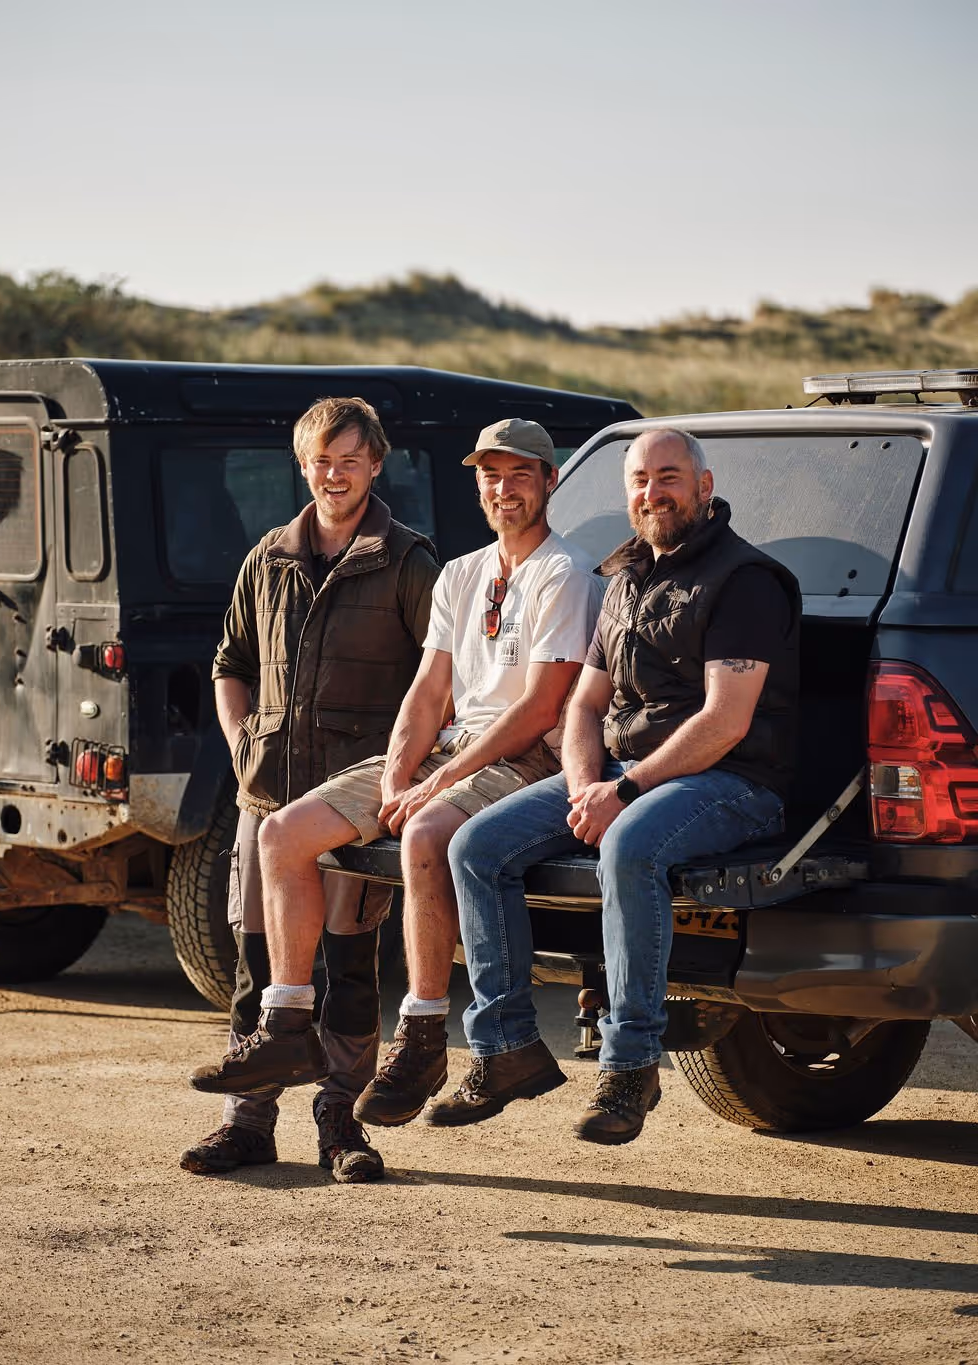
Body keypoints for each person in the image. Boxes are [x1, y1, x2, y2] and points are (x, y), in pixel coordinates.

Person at [189, 418, 604, 1128]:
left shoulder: (562, 573)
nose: (504, 489)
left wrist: (438, 782)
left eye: (521, 475)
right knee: (283, 834)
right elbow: (426, 691)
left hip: (519, 758)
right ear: (476, 484)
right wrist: (397, 775)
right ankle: (286, 1024)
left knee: (423, 837)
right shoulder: (461, 572)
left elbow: (540, 707)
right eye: (491, 475)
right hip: (444, 749)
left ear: (550, 481)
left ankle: (422, 1035)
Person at [430, 427, 801, 1144]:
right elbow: (585, 706)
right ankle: (505, 1045)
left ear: (704, 485)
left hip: (732, 780)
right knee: (476, 844)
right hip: (619, 773)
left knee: (628, 844)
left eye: (668, 477)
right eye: (639, 480)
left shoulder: (745, 580)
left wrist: (621, 796)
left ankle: (630, 1065)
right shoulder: (625, 575)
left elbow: (725, 721)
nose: (652, 492)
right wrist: (581, 782)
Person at [182, 396, 440, 1183]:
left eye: (349, 460)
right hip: (265, 804)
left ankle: (342, 1125)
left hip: (351, 815)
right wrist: (239, 742)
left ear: (375, 464)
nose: (334, 474)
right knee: (257, 974)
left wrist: (404, 773)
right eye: (321, 460)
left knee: (348, 976)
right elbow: (229, 663)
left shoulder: (406, 559)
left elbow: (441, 680)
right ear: (304, 465)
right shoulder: (267, 557)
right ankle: (247, 1122)